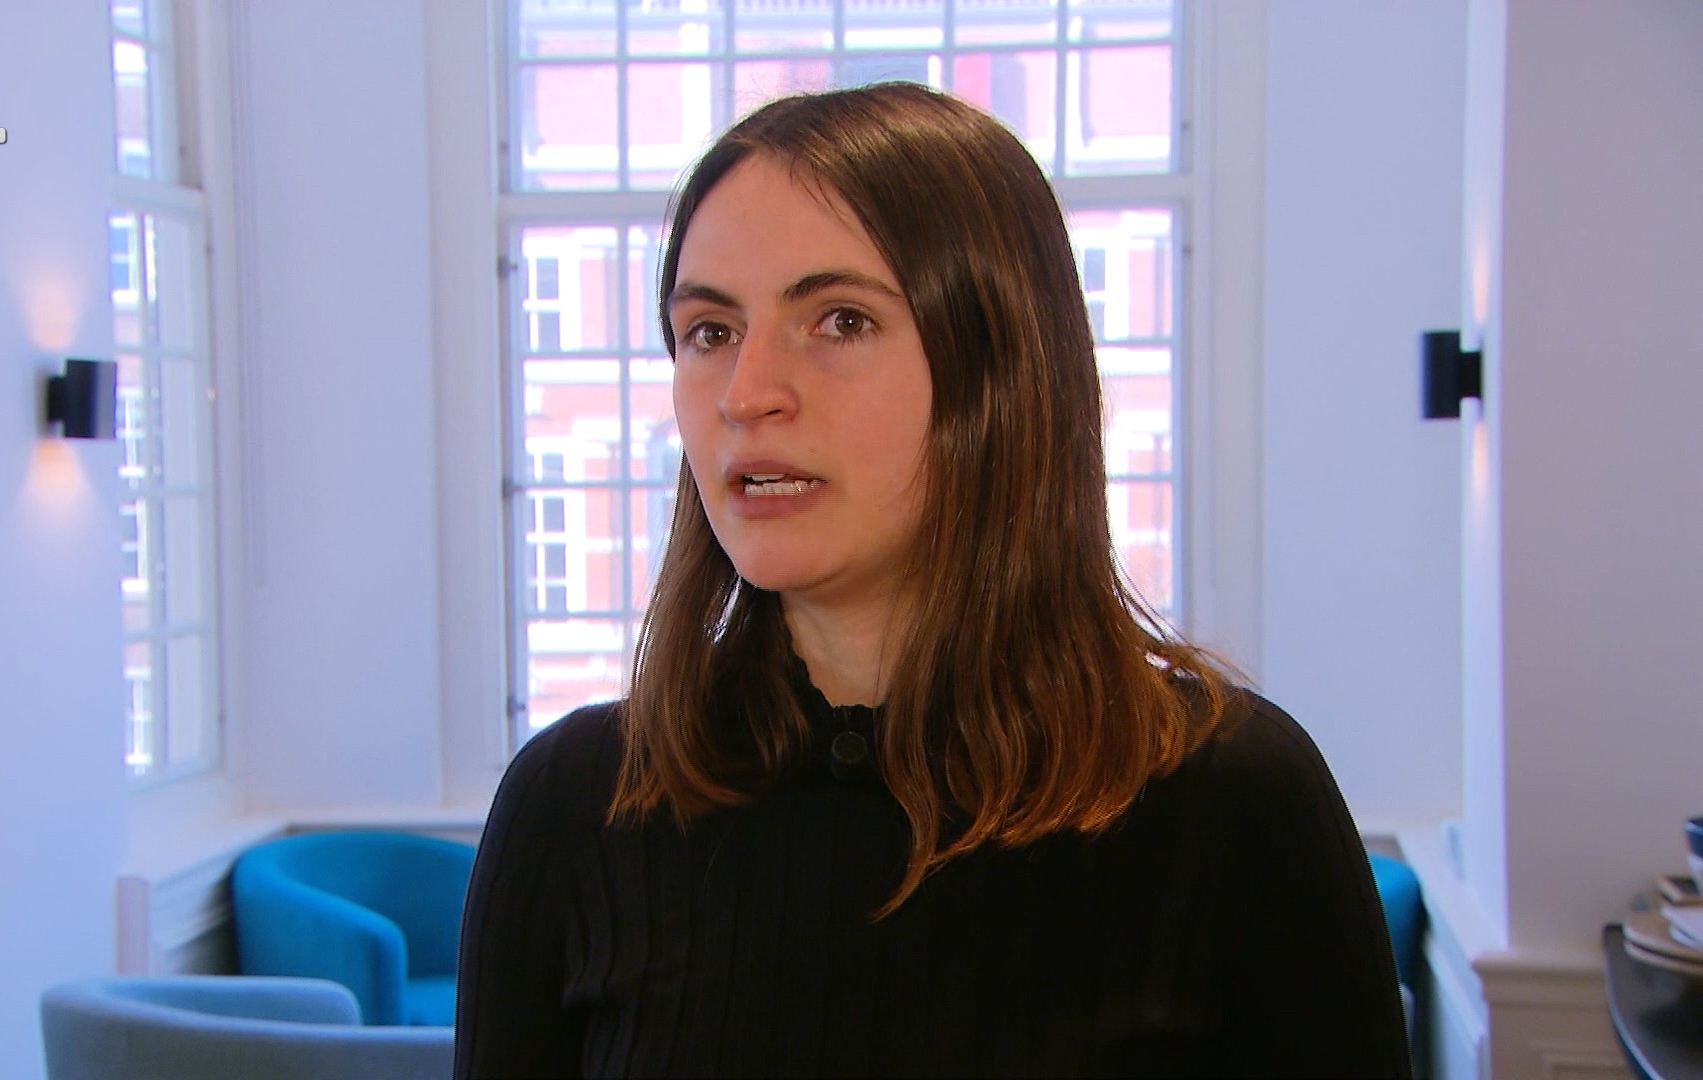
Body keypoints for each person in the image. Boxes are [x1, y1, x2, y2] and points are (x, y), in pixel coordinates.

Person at [455, 83, 1409, 1079]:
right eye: (710, 331)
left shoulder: (1235, 802)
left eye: (839, 320)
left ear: (998, 372)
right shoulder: (571, 807)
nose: (746, 394)